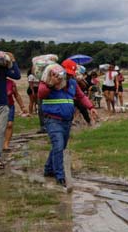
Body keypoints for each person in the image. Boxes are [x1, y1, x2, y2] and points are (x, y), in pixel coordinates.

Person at [38, 59, 98, 187]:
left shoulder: (72, 83)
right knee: (58, 145)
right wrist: (51, 84)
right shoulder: (49, 80)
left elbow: (81, 96)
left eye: (72, 74)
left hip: (66, 121)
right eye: (67, 73)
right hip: (52, 119)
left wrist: (91, 107)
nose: (69, 76)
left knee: (59, 146)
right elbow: (41, 94)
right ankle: (60, 176)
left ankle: (48, 169)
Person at [3, 77, 28, 152]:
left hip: (9, 106)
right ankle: (0, 141)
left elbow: (16, 95)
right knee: (0, 126)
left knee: (9, 124)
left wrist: (22, 107)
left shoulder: (11, 83)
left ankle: (6, 144)